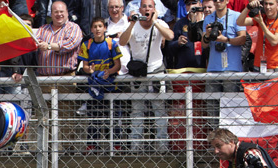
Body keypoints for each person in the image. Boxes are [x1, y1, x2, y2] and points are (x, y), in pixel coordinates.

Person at [119, 0, 174, 153]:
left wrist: (155, 22)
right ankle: (136, 146)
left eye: (150, 6)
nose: (147, 9)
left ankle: (162, 146)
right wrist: (131, 23)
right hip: (139, 74)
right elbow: (122, 41)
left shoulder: (160, 23)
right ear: (140, 8)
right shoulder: (133, 25)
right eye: (144, 6)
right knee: (137, 110)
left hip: (156, 71)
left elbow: (170, 36)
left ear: (154, 9)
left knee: (159, 110)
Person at [35, 1, 83, 153]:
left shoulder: (73, 28)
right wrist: (48, 45)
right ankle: (46, 150)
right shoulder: (42, 29)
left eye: (62, 11)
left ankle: (68, 150)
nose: (59, 14)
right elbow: (35, 44)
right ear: (51, 14)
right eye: (56, 11)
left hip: (65, 79)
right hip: (44, 79)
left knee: (66, 115)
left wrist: (49, 46)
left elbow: (70, 44)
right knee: (44, 116)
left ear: (67, 13)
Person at [77, 16, 120, 151]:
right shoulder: (86, 44)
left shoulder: (112, 43)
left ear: (105, 28)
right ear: (91, 29)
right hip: (94, 85)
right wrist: (89, 70)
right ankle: (92, 145)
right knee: (94, 116)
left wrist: (109, 71)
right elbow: (84, 66)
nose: (97, 29)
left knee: (114, 116)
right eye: (95, 27)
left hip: (110, 85)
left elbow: (118, 65)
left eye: (100, 26)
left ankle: (116, 145)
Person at [237, 0, 278, 71]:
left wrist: (261, 23)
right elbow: (239, 22)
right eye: (266, 4)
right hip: (258, 64)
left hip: (275, 66)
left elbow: (274, 41)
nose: (268, 7)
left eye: (271, 4)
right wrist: (248, 7)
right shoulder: (262, 17)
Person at [169, 0, 208, 71]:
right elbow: (170, 47)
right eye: (188, 4)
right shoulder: (180, 23)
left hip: (204, 69)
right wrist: (177, 43)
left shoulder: (207, 21)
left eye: (194, 3)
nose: (191, 6)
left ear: (200, 4)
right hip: (184, 70)